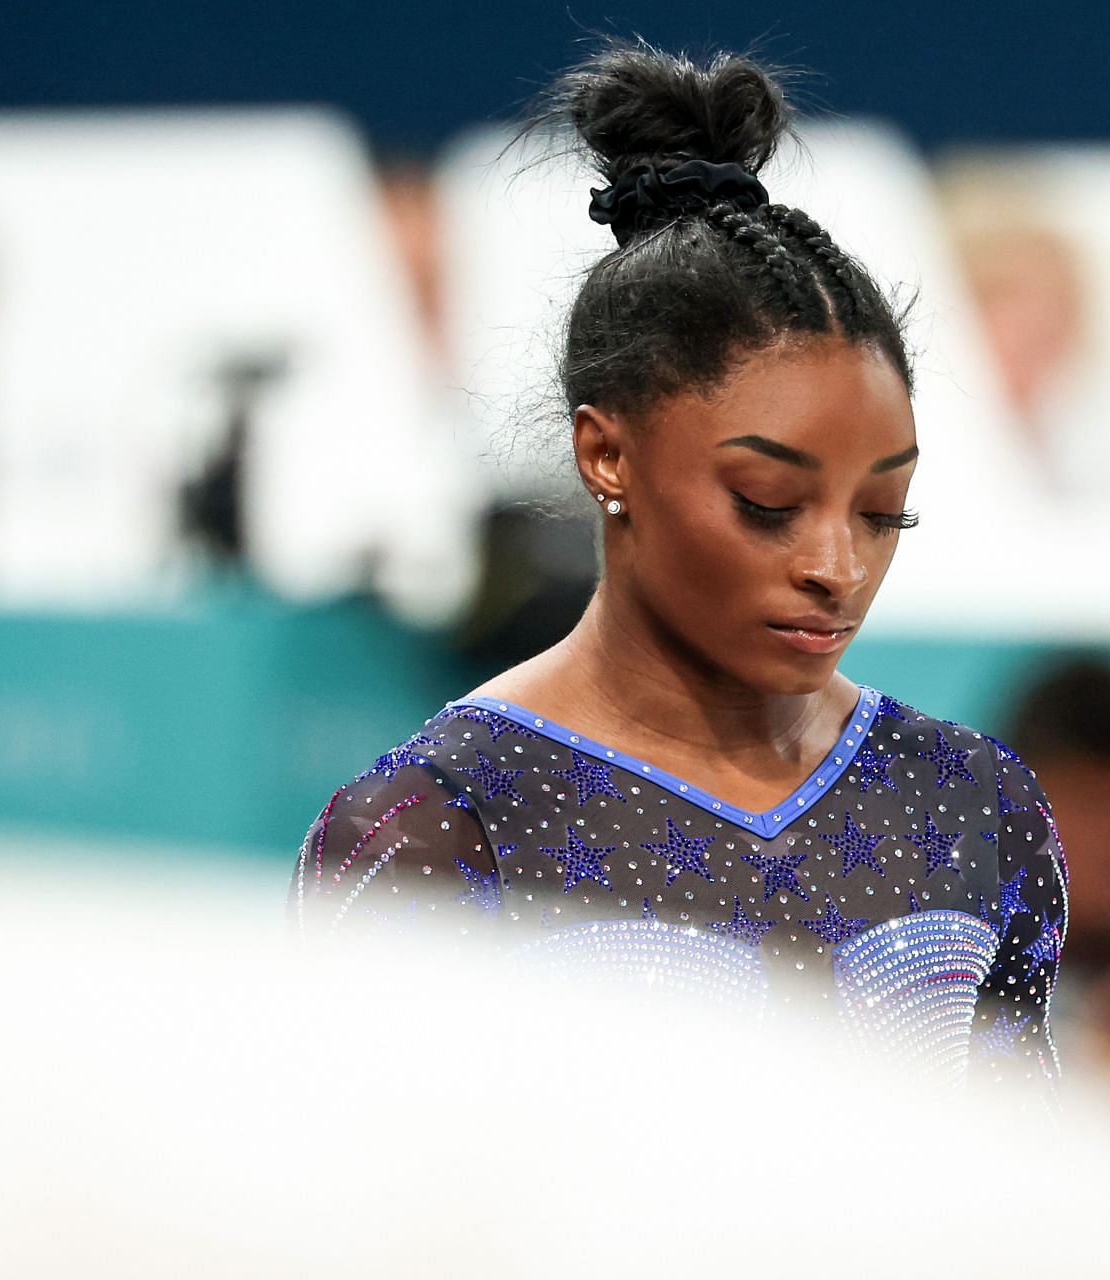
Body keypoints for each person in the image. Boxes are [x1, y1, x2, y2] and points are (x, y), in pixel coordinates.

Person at [291, 44, 1068, 1087]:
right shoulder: (443, 823)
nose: (836, 565)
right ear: (606, 454)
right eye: (768, 504)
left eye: (887, 511)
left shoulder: (970, 802)